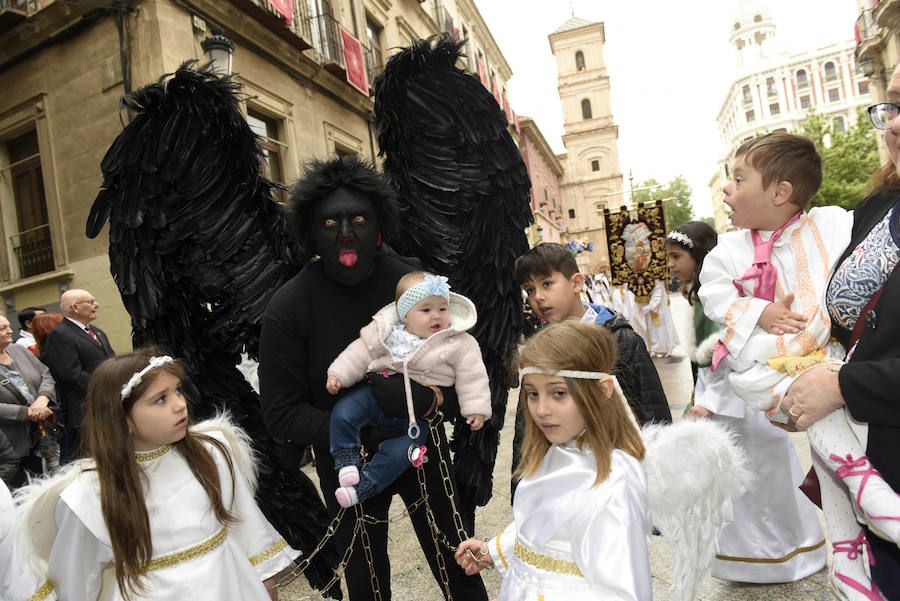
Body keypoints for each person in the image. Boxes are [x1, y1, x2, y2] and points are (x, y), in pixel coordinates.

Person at [259, 156, 487, 601]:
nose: (345, 232)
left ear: (378, 222)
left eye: (358, 218)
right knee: (366, 582)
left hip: (421, 446)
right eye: (330, 221)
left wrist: (432, 402)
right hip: (346, 463)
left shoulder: (415, 287)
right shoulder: (289, 305)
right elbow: (281, 414)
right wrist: (357, 431)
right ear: (311, 230)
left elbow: (465, 368)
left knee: (457, 564)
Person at [698, 132, 892, 599]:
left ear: (781, 193)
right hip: (768, 368)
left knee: (835, 422)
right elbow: (713, 294)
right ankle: (870, 496)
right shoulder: (728, 251)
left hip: (826, 354)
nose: (726, 187)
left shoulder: (830, 223)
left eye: (739, 178)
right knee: (822, 415)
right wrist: (759, 311)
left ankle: (846, 546)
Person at [13, 349, 298, 601]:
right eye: (160, 399)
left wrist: (265, 579)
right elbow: (76, 576)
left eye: (177, 391)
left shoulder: (210, 452)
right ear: (123, 420)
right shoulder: (89, 492)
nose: (179, 404)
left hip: (231, 584)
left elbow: (243, 519)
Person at [781, 64, 900, 599]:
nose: (893, 124)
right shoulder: (878, 206)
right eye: (892, 105)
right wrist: (800, 378)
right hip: (871, 452)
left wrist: (842, 386)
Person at [666, 222, 826, 583]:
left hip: (739, 405)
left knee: (758, 481)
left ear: (699, 256)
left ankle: (779, 556)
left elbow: (732, 354)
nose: (671, 265)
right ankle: (767, 554)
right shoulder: (703, 294)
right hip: (731, 405)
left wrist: (709, 401)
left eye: (677, 257)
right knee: (747, 485)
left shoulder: (721, 298)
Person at [455, 321, 652, 600]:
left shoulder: (614, 485)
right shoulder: (558, 451)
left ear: (602, 390)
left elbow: (623, 590)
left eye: (558, 393)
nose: (542, 410)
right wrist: (495, 550)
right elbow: (545, 526)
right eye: (533, 394)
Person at [327, 271, 490, 507]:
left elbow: (473, 374)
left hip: (415, 414)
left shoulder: (458, 342)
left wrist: (476, 408)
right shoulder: (388, 334)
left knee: (401, 454)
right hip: (376, 394)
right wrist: (338, 375)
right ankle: (346, 462)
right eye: (426, 310)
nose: (436, 316)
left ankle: (362, 487)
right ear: (405, 315)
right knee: (344, 411)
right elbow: (360, 352)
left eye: (442, 309)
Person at [514, 242, 671, 426]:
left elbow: (652, 410)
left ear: (576, 283)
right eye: (530, 290)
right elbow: (526, 423)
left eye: (547, 284)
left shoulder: (620, 340)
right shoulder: (539, 348)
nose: (538, 297)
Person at [41, 289, 115, 463]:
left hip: (108, 406)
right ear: (75, 307)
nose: (96, 305)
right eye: (90, 302)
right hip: (85, 413)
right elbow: (71, 374)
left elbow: (111, 362)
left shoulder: (96, 331)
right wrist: (105, 387)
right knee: (94, 462)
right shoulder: (60, 335)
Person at [0, 315, 56, 487]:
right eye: (2, 328)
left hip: (41, 434)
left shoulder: (19, 350)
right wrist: (28, 412)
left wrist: (42, 399)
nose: (10, 331)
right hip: (10, 445)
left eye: (8, 326)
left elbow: (45, 374)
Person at [638, 279, 679, 357]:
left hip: (658, 308)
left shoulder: (657, 279)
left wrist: (651, 305)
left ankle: (664, 347)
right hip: (647, 305)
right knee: (651, 328)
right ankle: (653, 348)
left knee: (661, 327)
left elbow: (658, 291)